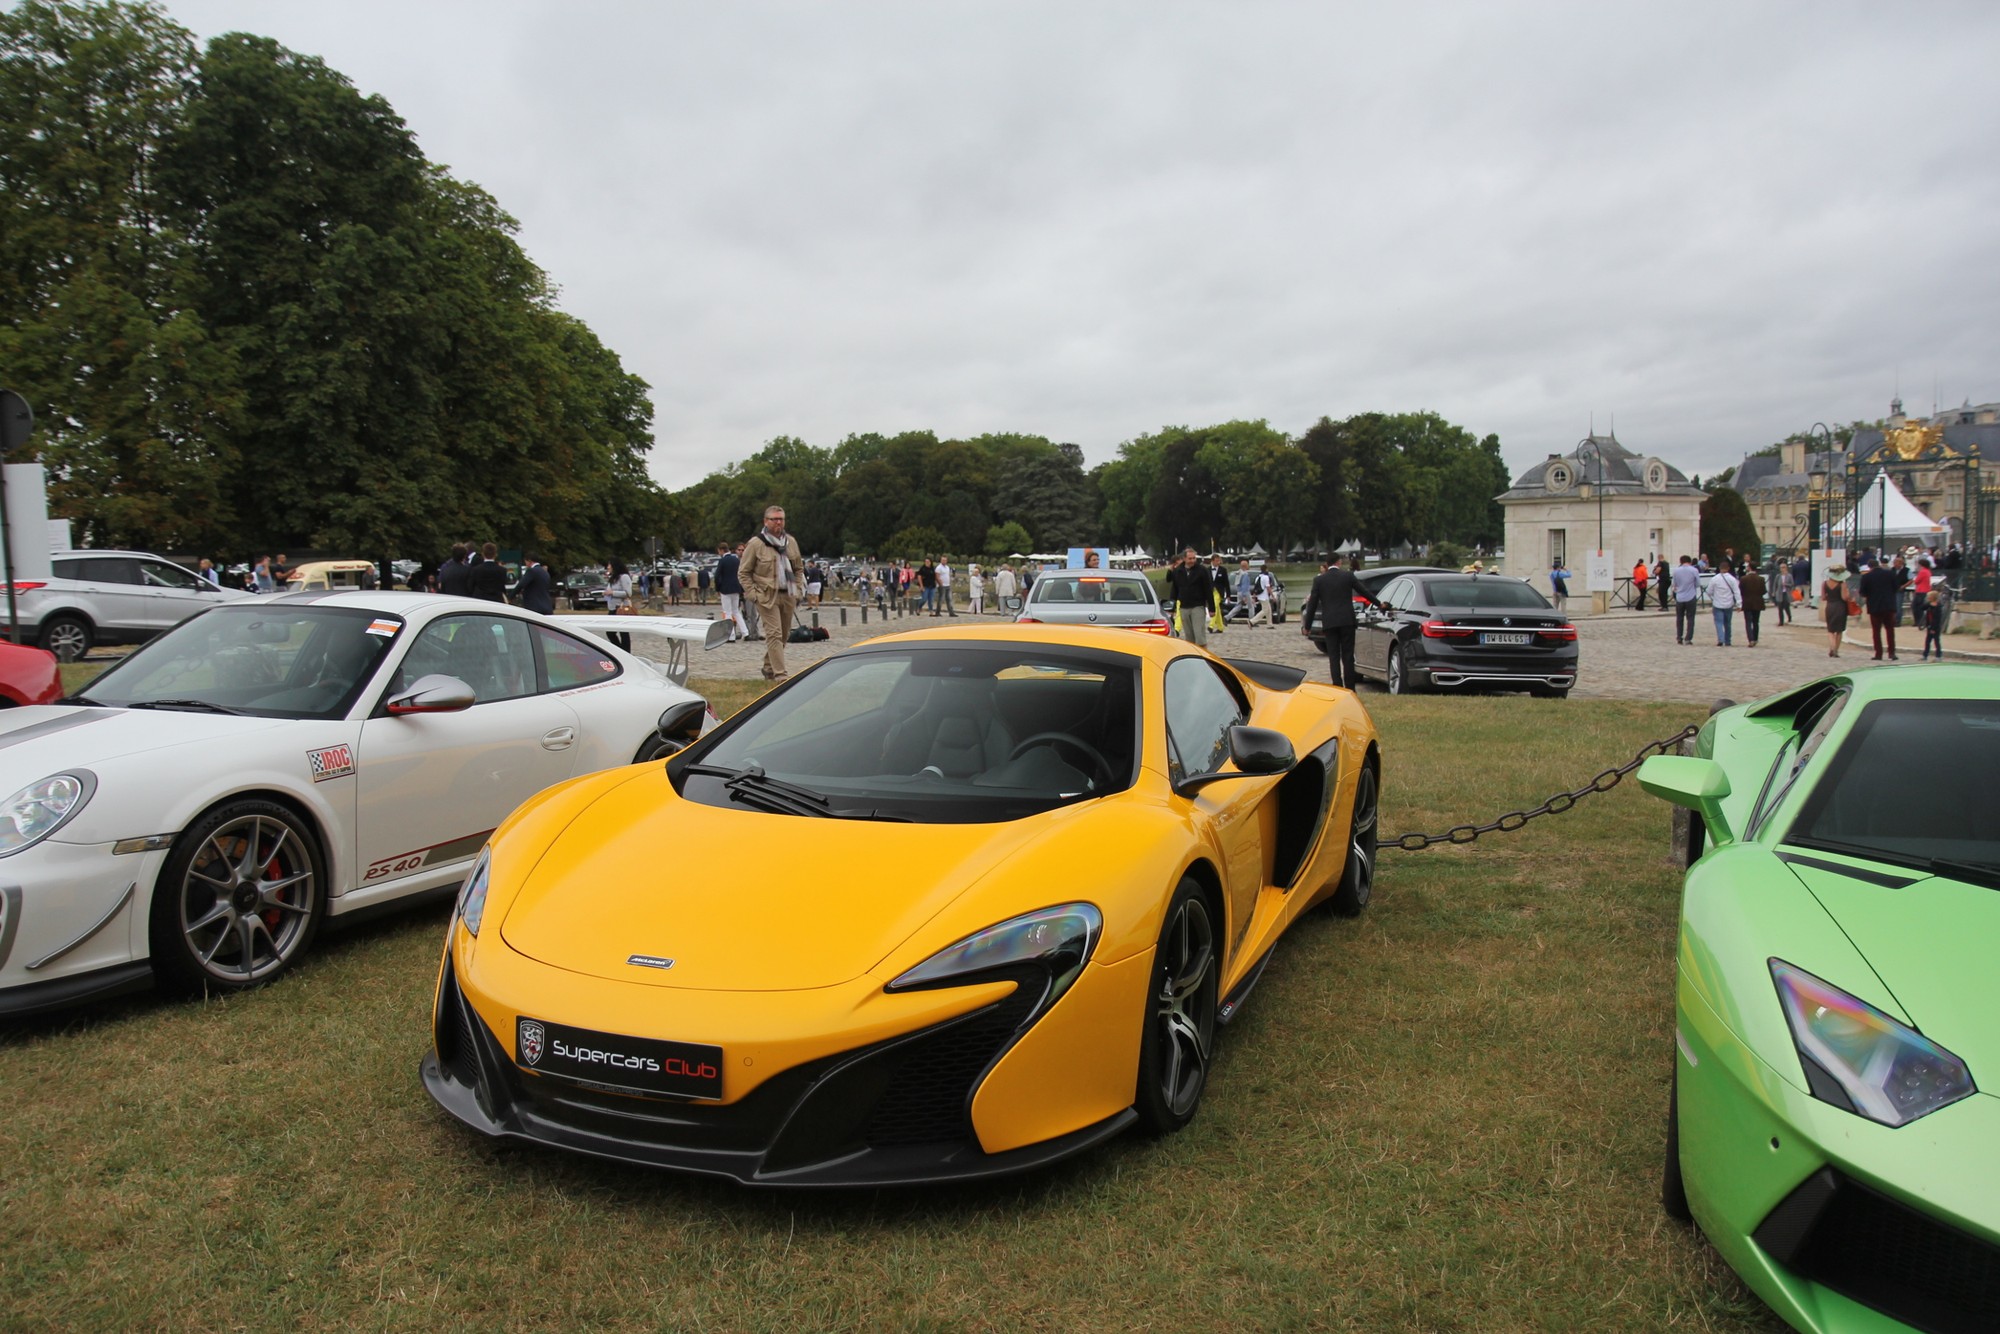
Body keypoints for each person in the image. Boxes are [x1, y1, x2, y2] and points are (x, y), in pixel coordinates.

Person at [740, 505, 804, 682]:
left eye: (781, 519)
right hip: (767, 595)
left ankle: (768, 666)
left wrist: (798, 590)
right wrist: (753, 595)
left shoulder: (790, 542)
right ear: (765, 521)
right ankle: (780, 675)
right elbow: (744, 573)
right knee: (774, 634)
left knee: (784, 635)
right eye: (774, 519)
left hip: (789, 594)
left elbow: (798, 568)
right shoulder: (756, 544)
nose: (778, 522)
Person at [1299, 554, 1379, 689]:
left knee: (1334, 656)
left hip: (1330, 622)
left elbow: (1312, 604)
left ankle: (1337, 686)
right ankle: (1350, 687)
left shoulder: (1319, 580)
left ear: (1327, 563)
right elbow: (1364, 592)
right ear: (1339, 562)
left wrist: (1307, 626)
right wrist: (1379, 603)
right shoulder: (1348, 576)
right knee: (1348, 656)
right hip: (1347, 620)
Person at [1165, 547, 1213, 647]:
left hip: (1198, 606)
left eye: (1194, 558)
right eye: (1190, 558)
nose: (1192, 560)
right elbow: (1174, 588)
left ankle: (1203, 656)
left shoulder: (1202, 570)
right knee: (1189, 636)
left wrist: (1212, 608)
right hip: (1184, 606)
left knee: (1199, 634)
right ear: (1184, 558)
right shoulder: (1178, 571)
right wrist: (1172, 606)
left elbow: (1208, 589)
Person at [1855, 556, 1900, 660]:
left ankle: (1878, 653)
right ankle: (1891, 652)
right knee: (1890, 630)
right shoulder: (1889, 574)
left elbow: (1863, 592)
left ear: (1869, 567)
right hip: (1889, 605)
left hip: (1875, 606)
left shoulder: (1867, 577)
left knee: (1876, 631)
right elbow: (1896, 588)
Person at [714, 542, 746, 641]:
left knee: (727, 612)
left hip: (725, 589)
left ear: (721, 550)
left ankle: (731, 635)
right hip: (736, 588)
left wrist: (717, 588)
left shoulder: (722, 561)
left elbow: (717, 576)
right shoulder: (736, 560)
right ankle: (745, 632)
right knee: (736, 611)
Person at [603, 558, 635, 650]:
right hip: (612, 607)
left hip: (621, 607)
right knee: (610, 632)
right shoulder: (613, 577)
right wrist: (606, 593)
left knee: (623, 632)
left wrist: (612, 593)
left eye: (609, 565)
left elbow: (628, 593)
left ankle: (625, 652)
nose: (608, 567)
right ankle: (619, 650)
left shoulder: (624, 577)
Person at [1708, 561, 1741, 646]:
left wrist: (1713, 597)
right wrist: (1739, 604)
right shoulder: (1732, 579)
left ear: (1719, 568)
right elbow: (1737, 592)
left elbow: (1709, 591)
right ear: (1728, 568)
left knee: (1718, 622)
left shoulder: (1715, 579)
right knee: (1728, 623)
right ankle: (1728, 640)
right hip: (1728, 604)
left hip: (1717, 603)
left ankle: (1720, 639)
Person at [1822, 566, 1852, 657]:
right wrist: (1849, 595)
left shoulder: (1825, 583)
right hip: (1840, 607)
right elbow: (1844, 597)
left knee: (1830, 630)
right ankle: (1836, 650)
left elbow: (1823, 597)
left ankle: (1832, 647)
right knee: (1839, 630)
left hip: (1830, 606)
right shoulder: (1842, 584)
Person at [1672, 555, 1701, 645]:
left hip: (1680, 597)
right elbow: (1698, 583)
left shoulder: (1676, 571)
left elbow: (1674, 584)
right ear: (1690, 561)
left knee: (1679, 618)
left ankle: (1679, 637)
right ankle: (1688, 638)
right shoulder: (1694, 570)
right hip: (1690, 596)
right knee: (1690, 618)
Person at [1738, 565, 1766, 647]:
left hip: (1747, 602)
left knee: (1748, 621)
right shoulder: (1761, 579)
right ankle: (1755, 638)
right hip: (1758, 602)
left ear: (1749, 568)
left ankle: (1750, 639)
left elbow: (1740, 590)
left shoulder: (1743, 579)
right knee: (1756, 621)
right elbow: (1764, 591)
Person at [1919, 589, 1945, 660]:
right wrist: (1928, 603)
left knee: (1936, 641)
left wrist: (1933, 628)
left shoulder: (1938, 607)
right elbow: (1922, 608)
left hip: (1935, 627)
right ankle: (1925, 655)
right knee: (1927, 641)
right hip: (1929, 625)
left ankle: (1938, 656)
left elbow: (1937, 619)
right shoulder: (1929, 605)